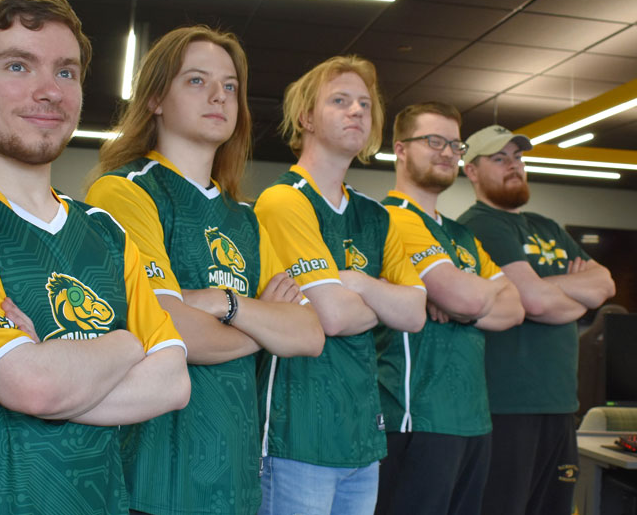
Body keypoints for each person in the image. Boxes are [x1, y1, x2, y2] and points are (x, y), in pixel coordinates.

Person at [0, 0, 190, 514]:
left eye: (66, 72)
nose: (50, 91)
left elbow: (172, 383)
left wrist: (45, 369)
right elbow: (34, 386)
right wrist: (125, 343)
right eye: (18, 67)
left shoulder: (107, 231)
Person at [85, 26, 324, 515]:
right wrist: (262, 324)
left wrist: (222, 304)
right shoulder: (124, 191)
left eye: (230, 86)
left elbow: (308, 333)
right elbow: (168, 328)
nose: (219, 96)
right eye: (196, 81)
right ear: (154, 98)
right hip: (151, 479)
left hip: (235, 478)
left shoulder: (245, 217)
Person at [252, 56, 427, 515]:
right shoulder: (283, 200)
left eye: (364, 105)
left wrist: (356, 283)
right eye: (340, 101)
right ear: (306, 117)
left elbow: (415, 313)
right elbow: (332, 315)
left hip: (362, 439)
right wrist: (380, 294)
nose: (356, 112)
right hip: (298, 437)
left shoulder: (376, 215)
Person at [374, 102, 524, 515]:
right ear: (401, 149)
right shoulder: (393, 218)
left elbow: (515, 308)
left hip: (473, 420)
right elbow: (475, 298)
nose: (447, 152)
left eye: (454, 145)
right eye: (433, 141)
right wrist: (470, 297)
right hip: (418, 420)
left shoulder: (459, 233)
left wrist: (461, 302)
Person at [458, 124, 616, 515]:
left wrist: (548, 289)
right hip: (508, 407)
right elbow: (536, 302)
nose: (513, 166)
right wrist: (573, 292)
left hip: (560, 404)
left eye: (518, 157)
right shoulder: (479, 225)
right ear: (472, 171)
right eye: (499, 159)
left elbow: (604, 284)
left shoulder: (546, 227)